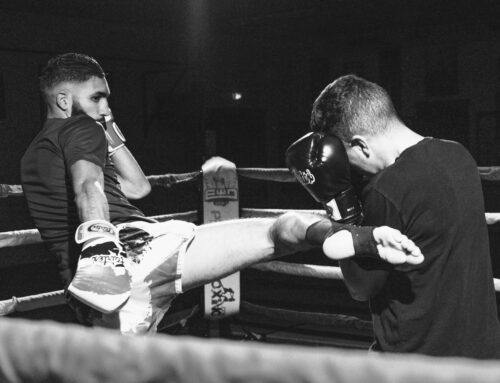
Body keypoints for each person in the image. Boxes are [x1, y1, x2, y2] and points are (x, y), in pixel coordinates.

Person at [20, 54, 422, 336]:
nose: (107, 107)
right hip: (128, 253)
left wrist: (108, 126)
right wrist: (100, 249)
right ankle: (360, 235)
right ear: (62, 99)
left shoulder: (36, 155)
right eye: (97, 97)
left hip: (101, 295)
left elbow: (137, 187)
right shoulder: (81, 131)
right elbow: (88, 187)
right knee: (274, 234)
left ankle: (353, 237)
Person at [303, 73, 500, 358]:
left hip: (416, 362)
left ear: (361, 145)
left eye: (345, 157)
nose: (349, 169)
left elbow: (361, 288)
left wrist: (339, 210)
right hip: (483, 357)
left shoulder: (386, 189)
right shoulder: (460, 156)